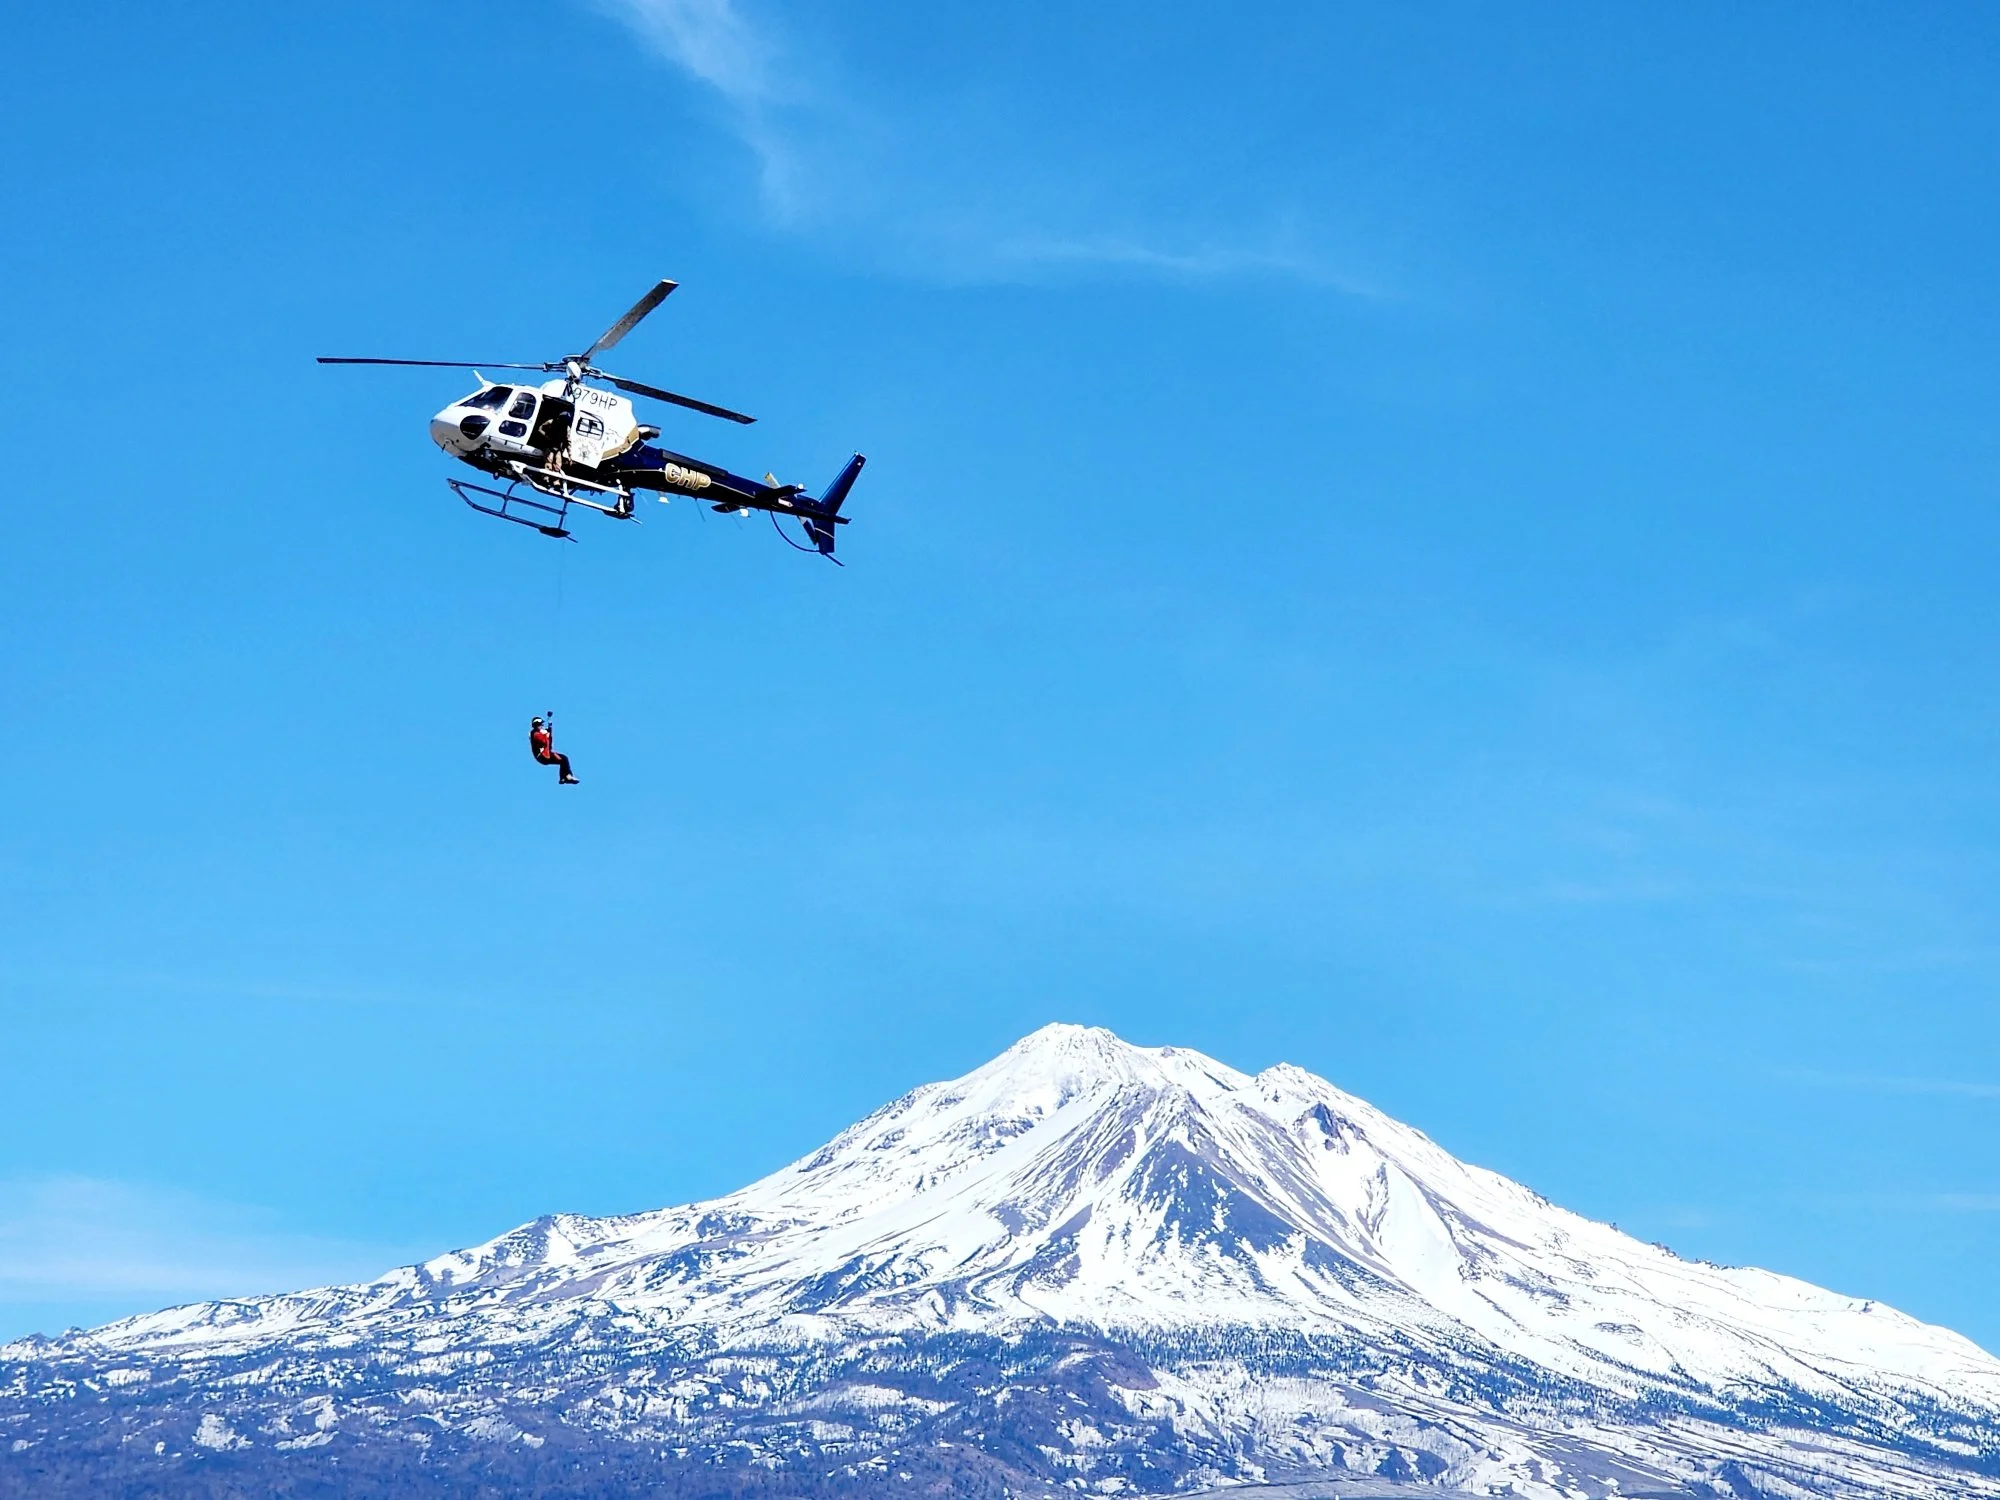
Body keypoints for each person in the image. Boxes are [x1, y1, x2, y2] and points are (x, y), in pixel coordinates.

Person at [529, 715, 579, 785]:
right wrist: (546, 734)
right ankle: (567, 776)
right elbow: (543, 741)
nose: (542, 726)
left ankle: (564, 777)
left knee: (563, 759)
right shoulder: (535, 734)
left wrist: (549, 732)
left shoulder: (538, 733)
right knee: (563, 759)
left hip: (546, 754)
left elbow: (549, 743)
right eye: (540, 725)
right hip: (543, 756)